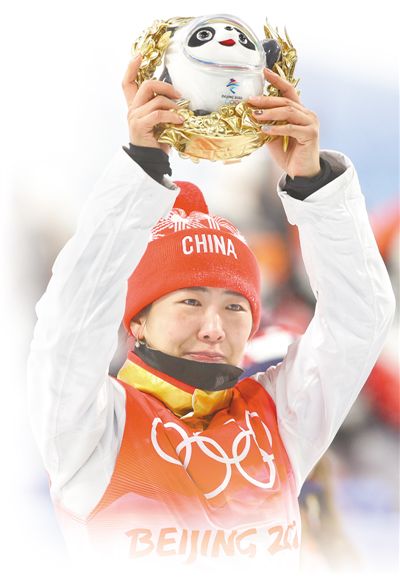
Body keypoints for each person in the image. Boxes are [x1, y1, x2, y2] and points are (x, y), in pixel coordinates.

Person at [27, 53, 395, 576]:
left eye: (235, 306)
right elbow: (71, 317)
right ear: (136, 320)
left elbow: (359, 320)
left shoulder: (280, 418)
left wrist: (312, 182)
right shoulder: (91, 429)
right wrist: (141, 166)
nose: (214, 328)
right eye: (190, 302)